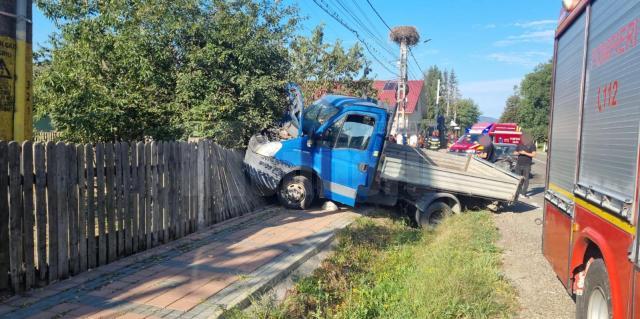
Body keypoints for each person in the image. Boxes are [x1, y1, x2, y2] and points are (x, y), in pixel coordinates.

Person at [513, 133, 536, 198]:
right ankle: (518, 192)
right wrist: (518, 153)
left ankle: (523, 193)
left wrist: (525, 153)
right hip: (519, 164)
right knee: (517, 178)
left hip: (527, 165)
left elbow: (534, 155)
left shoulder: (532, 145)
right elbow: (514, 152)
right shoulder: (519, 145)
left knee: (526, 179)